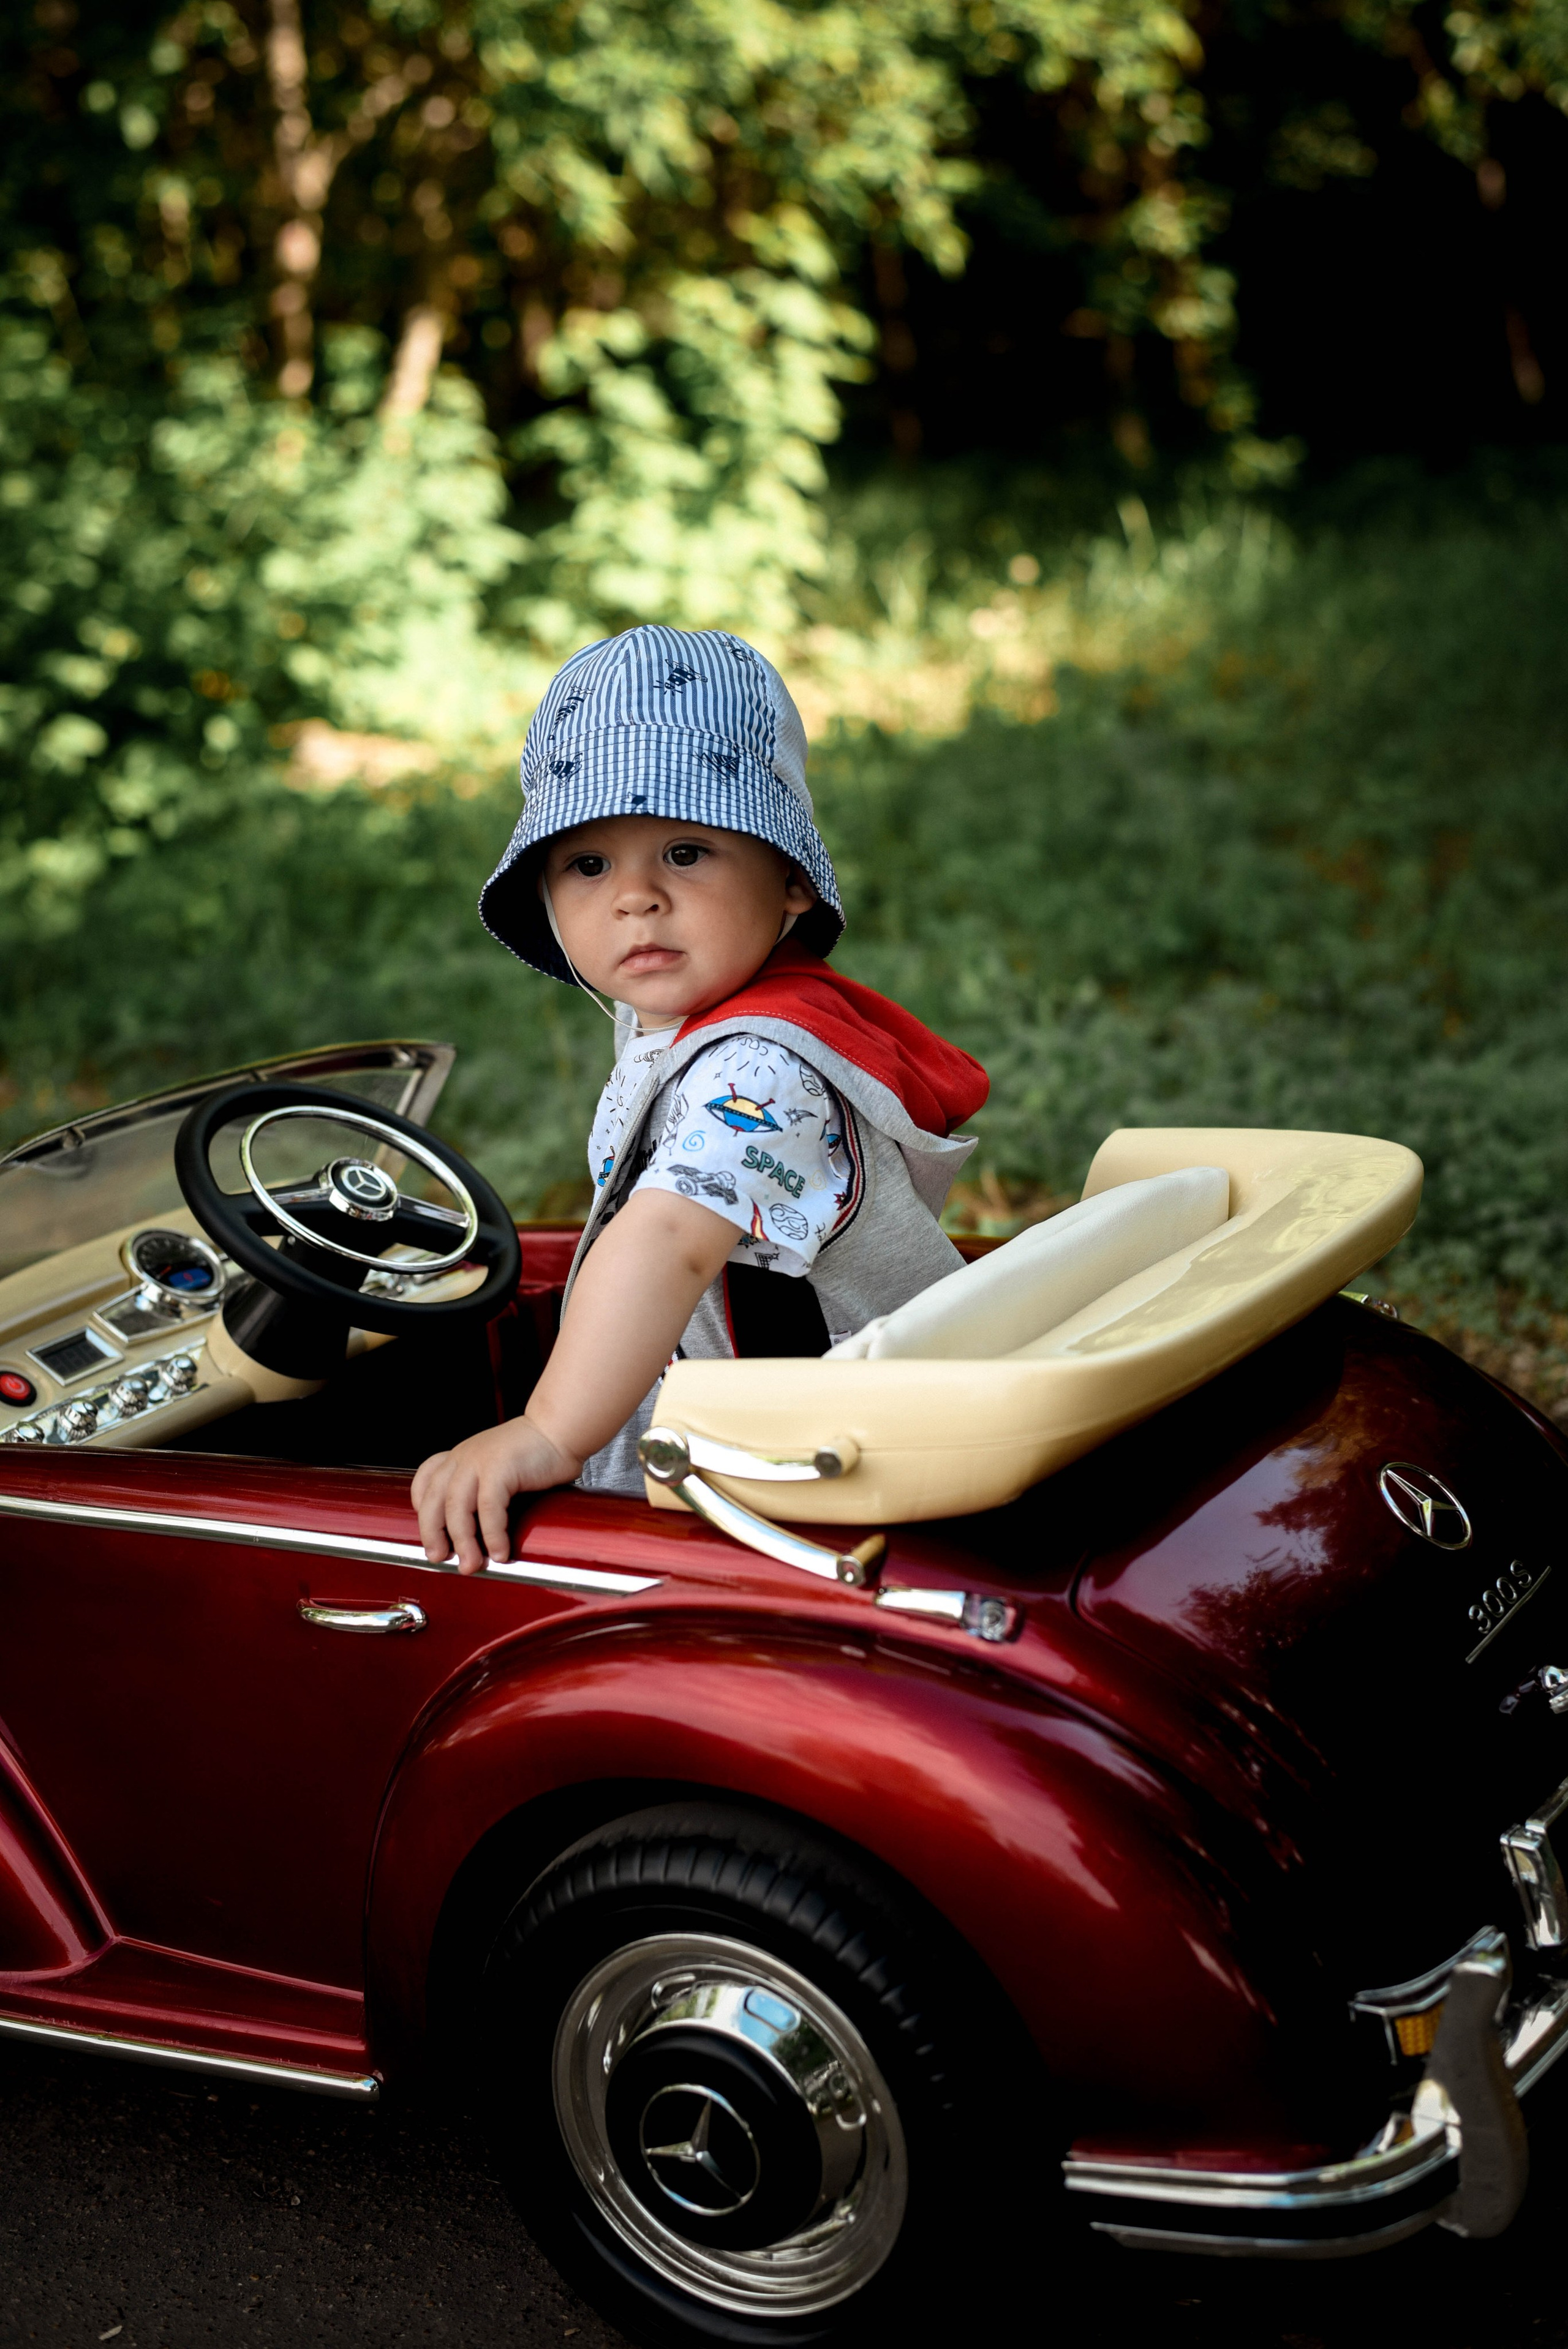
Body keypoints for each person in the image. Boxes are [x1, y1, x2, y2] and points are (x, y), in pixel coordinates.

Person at [412, 625, 987, 1571]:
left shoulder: (756, 1068)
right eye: (588, 865)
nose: (634, 897)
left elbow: (669, 1239)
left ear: (792, 879)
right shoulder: (677, 1023)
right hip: (762, 1427)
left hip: (811, 1478)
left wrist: (550, 1433)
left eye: (685, 851)